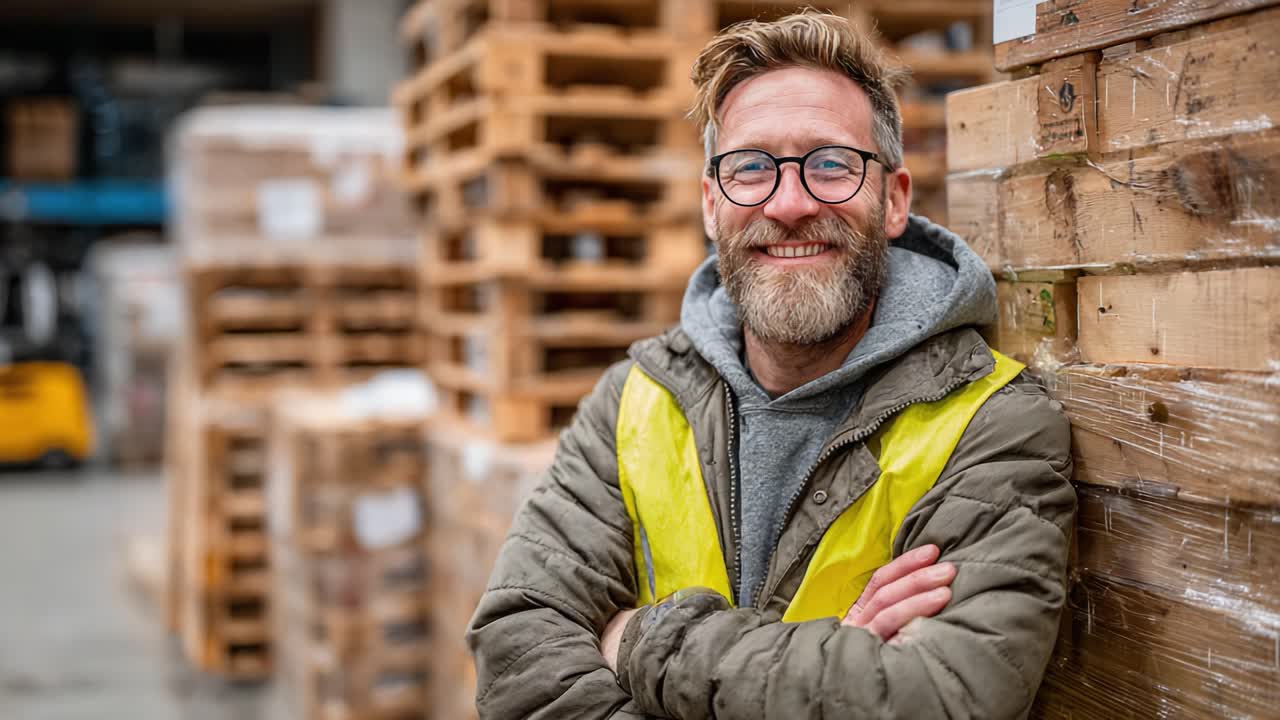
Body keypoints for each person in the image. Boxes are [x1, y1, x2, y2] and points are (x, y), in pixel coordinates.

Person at [467, 11, 1075, 719]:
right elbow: (517, 656)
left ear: (893, 201)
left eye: (831, 164)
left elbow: (936, 700)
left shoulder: (993, 422)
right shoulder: (634, 403)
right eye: (751, 167)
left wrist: (639, 637)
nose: (789, 204)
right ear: (710, 203)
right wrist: (831, 669)